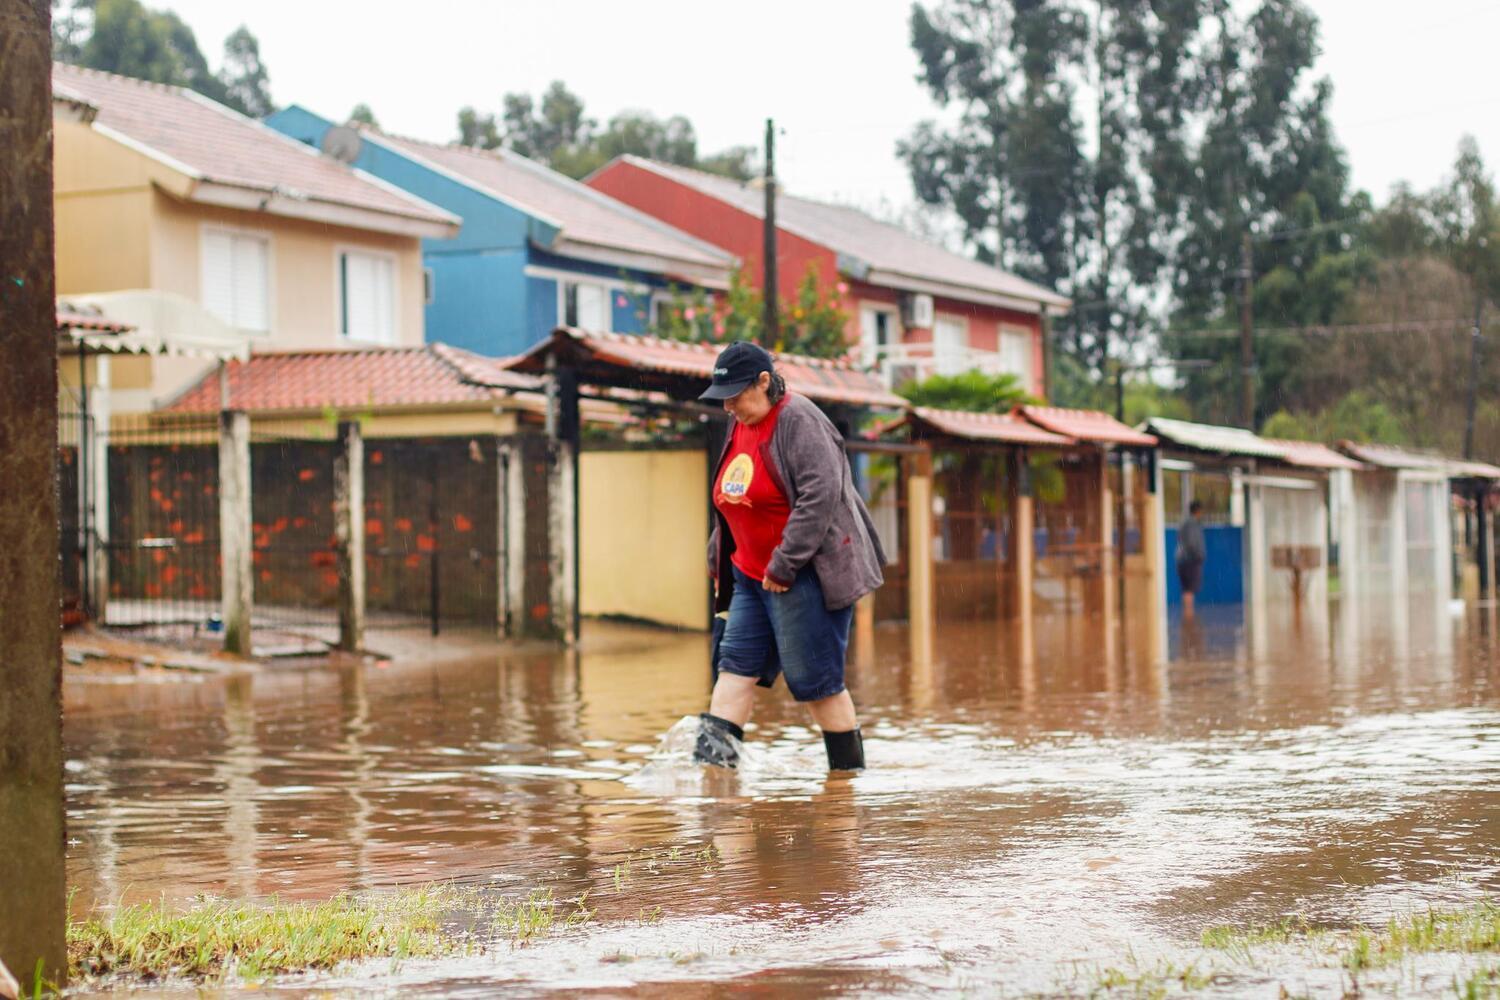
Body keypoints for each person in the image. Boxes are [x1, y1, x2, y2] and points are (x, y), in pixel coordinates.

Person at [693, 341, 885, 772]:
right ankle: (713, 788)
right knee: (733, 669)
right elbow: (734, 493)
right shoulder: (741, 419)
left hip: (801, 576)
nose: (730, 406)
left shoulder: (798, 419)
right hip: (748, 575)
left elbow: (820, 497)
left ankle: (845, 787)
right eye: (724, 398)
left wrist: (785, 562)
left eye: (738, 394)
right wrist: (718, 551)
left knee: (817, 685)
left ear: (765, 382)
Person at [1176, 500, 1206, 618]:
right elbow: (1192, 543)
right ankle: (1188, 616)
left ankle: (1187, 616)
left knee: (1186, 589)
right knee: (1189, 589)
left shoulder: (1184, 524)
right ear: (1198, 511)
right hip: (1190, 561)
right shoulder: (1192, 525)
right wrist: (1199, 555)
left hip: (1183, 560)